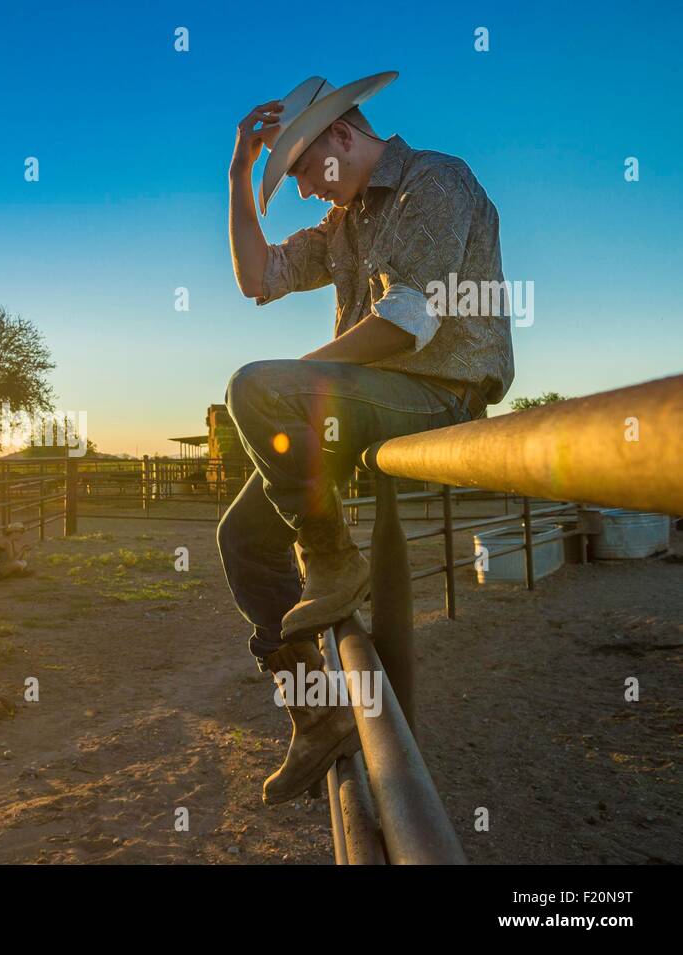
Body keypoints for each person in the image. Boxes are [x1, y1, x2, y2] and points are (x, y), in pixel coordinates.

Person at [221, 72, 514, 803]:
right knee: (242, 539)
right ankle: (315, 712)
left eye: (301, 171)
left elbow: (410, 322)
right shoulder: (342, 228)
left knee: (257, 385)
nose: (302, 191)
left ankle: (330, 558)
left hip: (439, 393)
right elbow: (257, 279)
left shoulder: (435, 183)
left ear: (343, 137)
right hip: (365, 403)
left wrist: (288, 379)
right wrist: (238, 173)